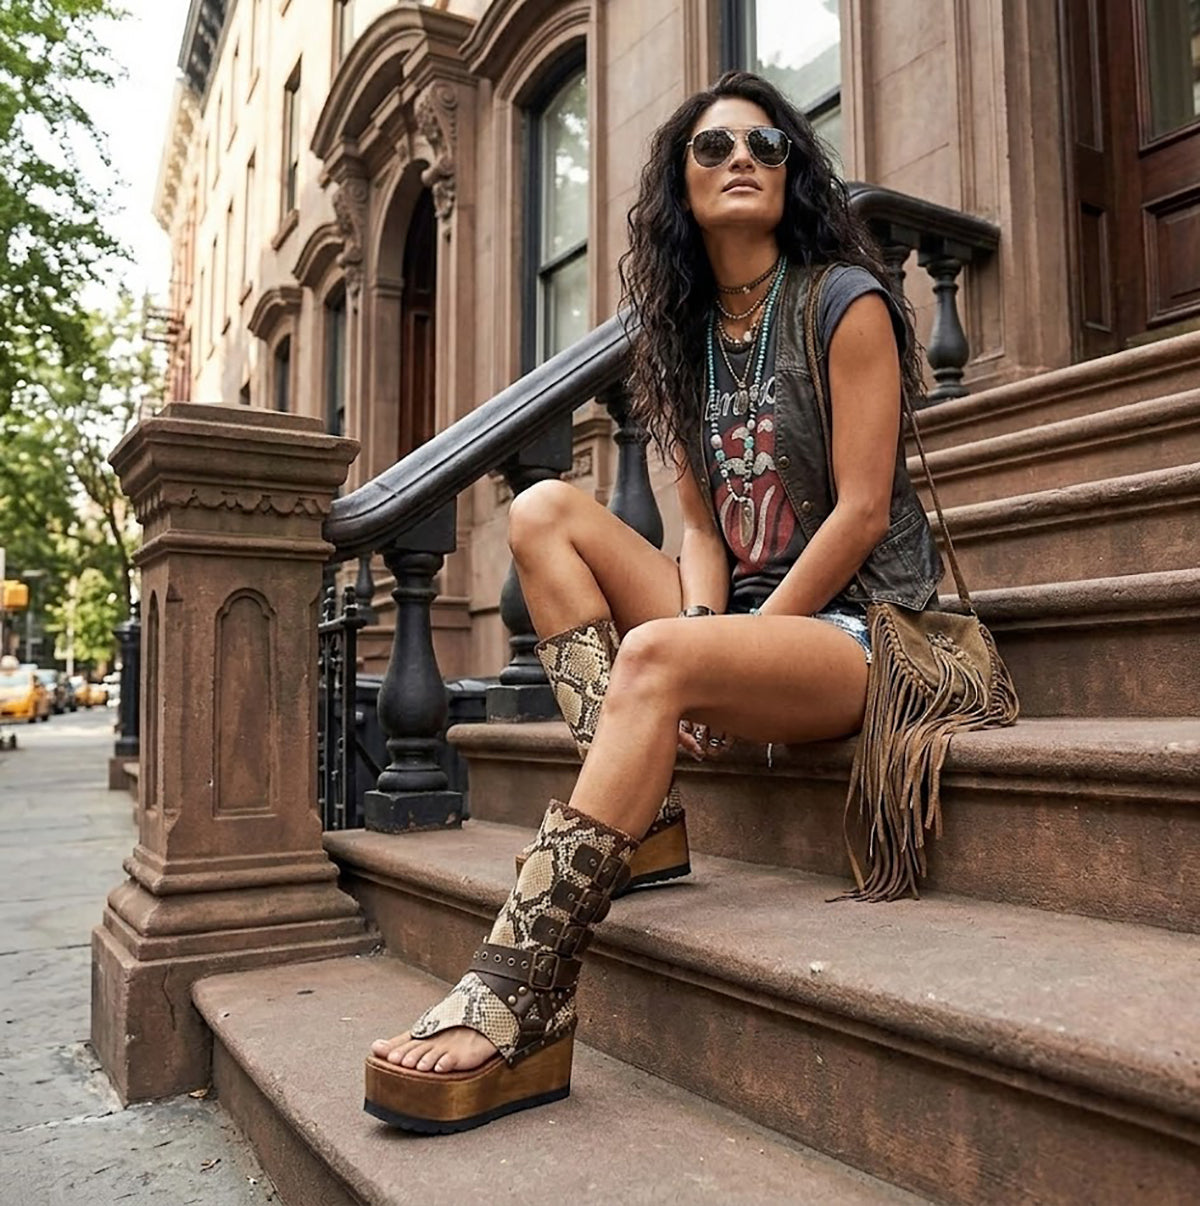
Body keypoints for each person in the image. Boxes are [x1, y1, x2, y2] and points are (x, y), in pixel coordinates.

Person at [363, 70, 943, 1134]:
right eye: (715, 148)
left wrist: (728, 649)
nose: (742, 162)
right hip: (747, 623)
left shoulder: (845, 302)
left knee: (657, 661)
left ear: (793, 171)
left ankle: (520, 990)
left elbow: (861, 514)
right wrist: (710, 629)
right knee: (543, 509)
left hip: (865, 630)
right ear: (681, 182)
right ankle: (649, 819)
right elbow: (698, 531)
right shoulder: (675, 342)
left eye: (767, 146)